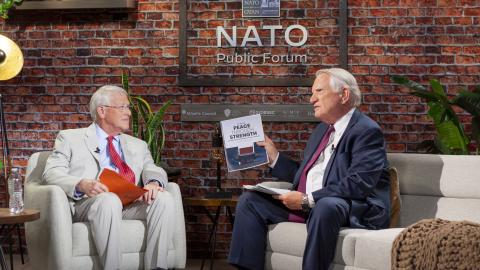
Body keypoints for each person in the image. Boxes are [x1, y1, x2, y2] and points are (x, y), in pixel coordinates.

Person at [228, 68, 390, 270]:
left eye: (319, 91)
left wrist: (308, 199)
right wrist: (274, 158)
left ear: (344, 94)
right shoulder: (322, 130)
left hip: (353, 206)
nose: (312, 99)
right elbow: (304, 176)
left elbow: (359, 184)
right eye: (312, 93)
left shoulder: (366, 131)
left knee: (326, 206)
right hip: (314, 204)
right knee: (250, 200)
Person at [43, 85, 175, 270]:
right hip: (90, 203)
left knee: (163, 198)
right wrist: (80, 184)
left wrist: (153, 182)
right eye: (122, 107)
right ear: (102, 111)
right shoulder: (70, 138)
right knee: (108, 200)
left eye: (128, 108)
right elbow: (51, 172)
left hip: (128, 203)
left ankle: (157, 267)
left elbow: (151, 167)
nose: (128, 113)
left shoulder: (138, 145)